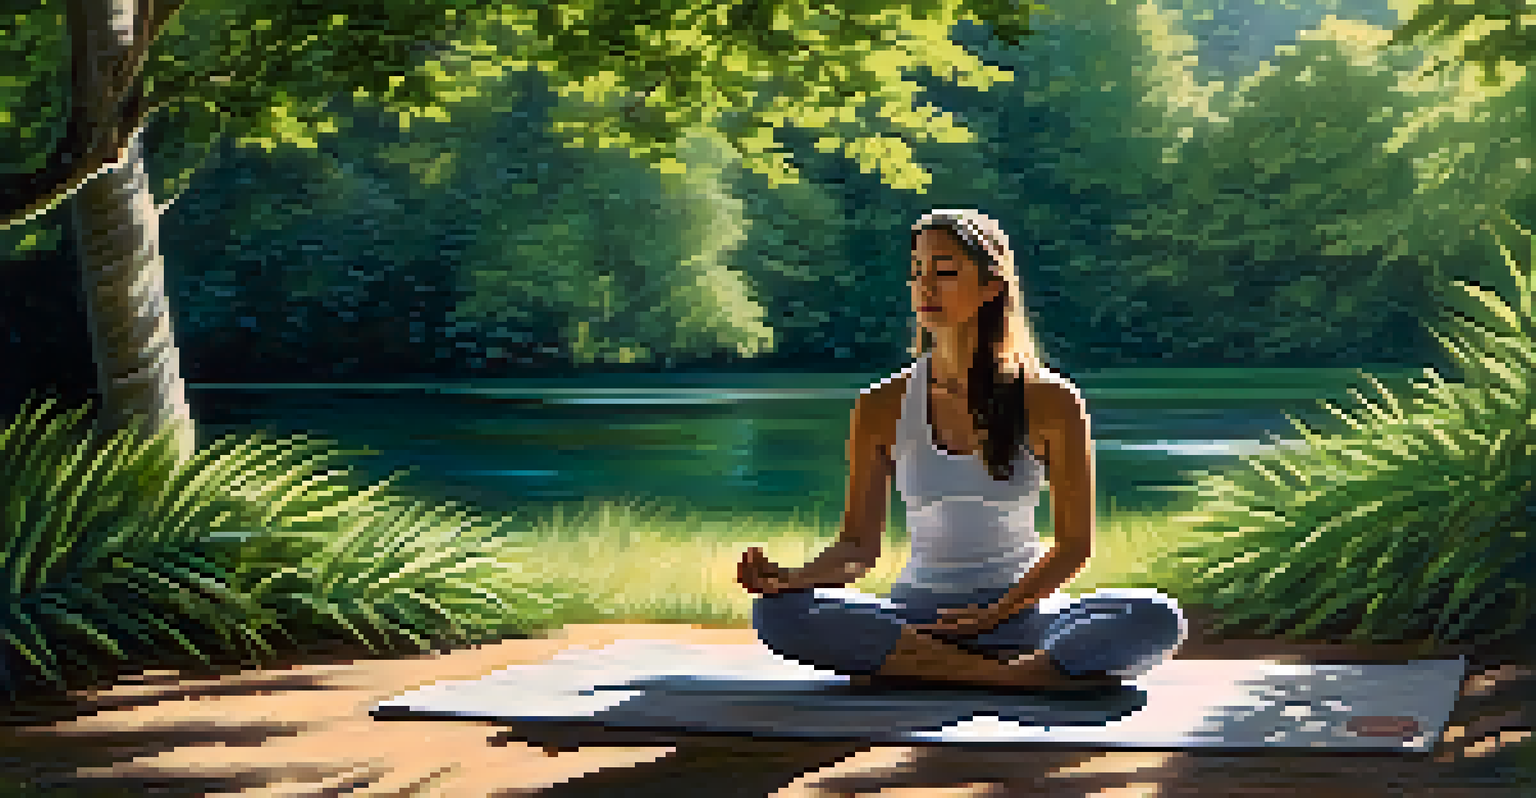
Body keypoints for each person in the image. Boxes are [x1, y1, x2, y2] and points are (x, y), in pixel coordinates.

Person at [738, 209, 1187, 691]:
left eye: (946, 272)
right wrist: (795, 578)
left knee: (1155, 616)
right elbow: (857, 548)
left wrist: (994, 614)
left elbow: (1074, 546)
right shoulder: (880, 405)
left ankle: (931, 667)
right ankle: (1015, 676)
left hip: (1023, 615)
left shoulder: (1052, 401)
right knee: (778, 613)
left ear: (992, 286)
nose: (925, 287)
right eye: (917, 273)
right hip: (917, 618)